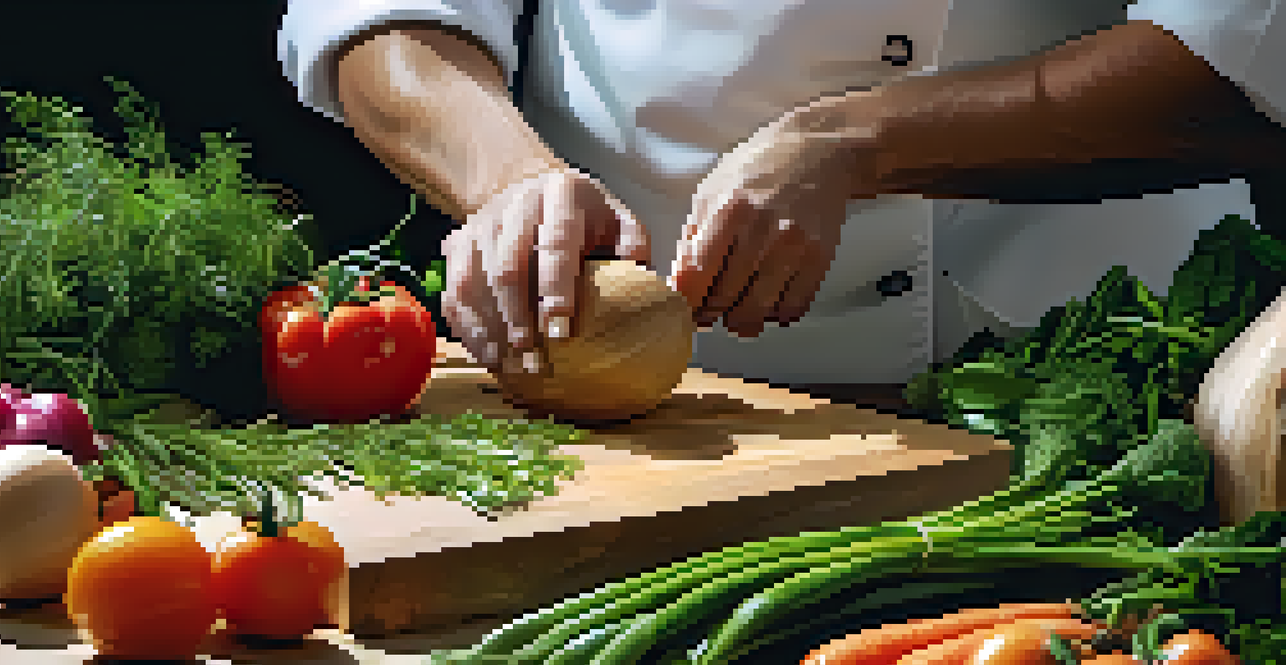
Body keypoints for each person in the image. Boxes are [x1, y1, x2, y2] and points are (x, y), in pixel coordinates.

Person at [278, 2, 1286, 389]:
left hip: (1073, 372)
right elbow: (382, 16)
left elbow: (1242, 56)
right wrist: (508, 179)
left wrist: (857, 140)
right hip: (633, 406)